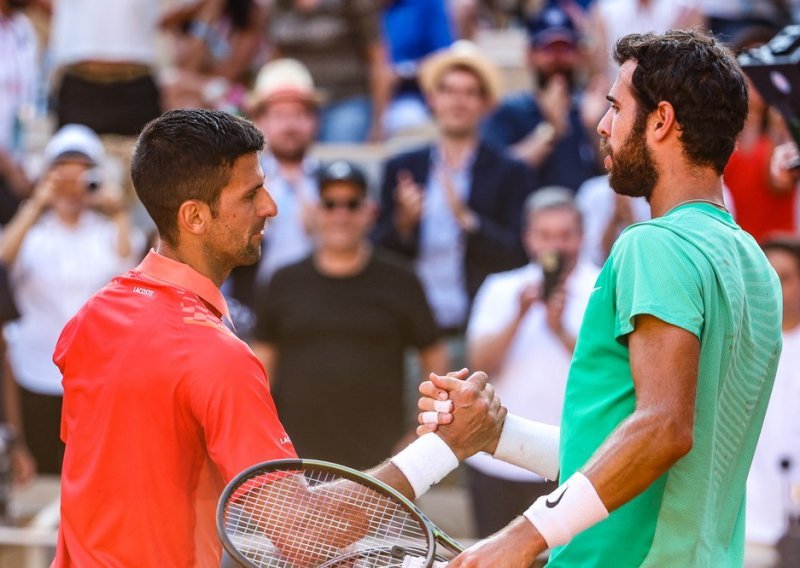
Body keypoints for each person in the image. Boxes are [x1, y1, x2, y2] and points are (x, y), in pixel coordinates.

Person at [51, 109, 504, 566]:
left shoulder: (89, 319)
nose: (270, 206)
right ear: (194, 217)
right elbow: (305, 533)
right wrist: (445, 446)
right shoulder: (215, 355)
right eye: (251, 194)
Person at [418, 30, 783, 566]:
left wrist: (523, 535)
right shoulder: (755, 262)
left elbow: (662, 430)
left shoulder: (653, 244)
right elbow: (645, 453)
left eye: (615, 107)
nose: (602, 125)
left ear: (660, 121)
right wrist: (500, 434)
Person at [251, 160, 448, 470]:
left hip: (382, 468)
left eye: (351, 204)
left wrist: (417, 435)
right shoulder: (284, 280)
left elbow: (435, 361)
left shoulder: (401, 279)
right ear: (316, 211)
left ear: (369, 211)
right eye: (330, 204)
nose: (340, 215)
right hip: (295, 463)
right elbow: (260, 370)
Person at [0, 124, 143, 475]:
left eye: (82, 173)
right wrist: (37, 202)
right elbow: (2, 263)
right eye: (62, 173)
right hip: (34, 371)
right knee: (43, 472)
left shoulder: (110, 233)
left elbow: (129, 270)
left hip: (97, 374)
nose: (71, 185)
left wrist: (119, 210)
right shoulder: (32, 234)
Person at [373, 40, 535, 340]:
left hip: (480, 325)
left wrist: (469, 222)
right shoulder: (402, 168)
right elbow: (376, 250)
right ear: (432, 99)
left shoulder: (510, 172)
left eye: (469, 93)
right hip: (411, 328)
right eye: (447, 90)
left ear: (486, 105)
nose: (457, 102)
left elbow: (520, 256)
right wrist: (404, 224)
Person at [464, 187, 599, 538]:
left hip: (571, 463)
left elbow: (610, 373)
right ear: (528, 238)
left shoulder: (603, 287)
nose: (555, 246)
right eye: (545, 235)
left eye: (565, 235)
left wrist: (560, 330)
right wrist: (520, 314)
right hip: (497, 461)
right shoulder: (502, 287)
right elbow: (477, 364)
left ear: (582, 237)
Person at [482, 0, 602, 193]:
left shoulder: (592, 110)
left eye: (566, 48)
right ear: (529, 55)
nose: (557, 58)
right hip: (523, 217)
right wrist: (551, 130)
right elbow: (498, 178)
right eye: (548, 49)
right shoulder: (508, 111)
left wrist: (594, 130)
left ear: (579, 55)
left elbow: (614, 178)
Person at [744, 238, 800, 566]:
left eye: (787, 277)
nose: (777, 287)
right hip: (751, 524)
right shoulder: (735, 346)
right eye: (769, 276)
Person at [265, 0, 392, 143]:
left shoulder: (355, 4)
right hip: (297, 104)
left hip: (347, 99)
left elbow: (378, 60)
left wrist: (378, 123)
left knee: (339, 157)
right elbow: (276, 59)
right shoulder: (279, 5)